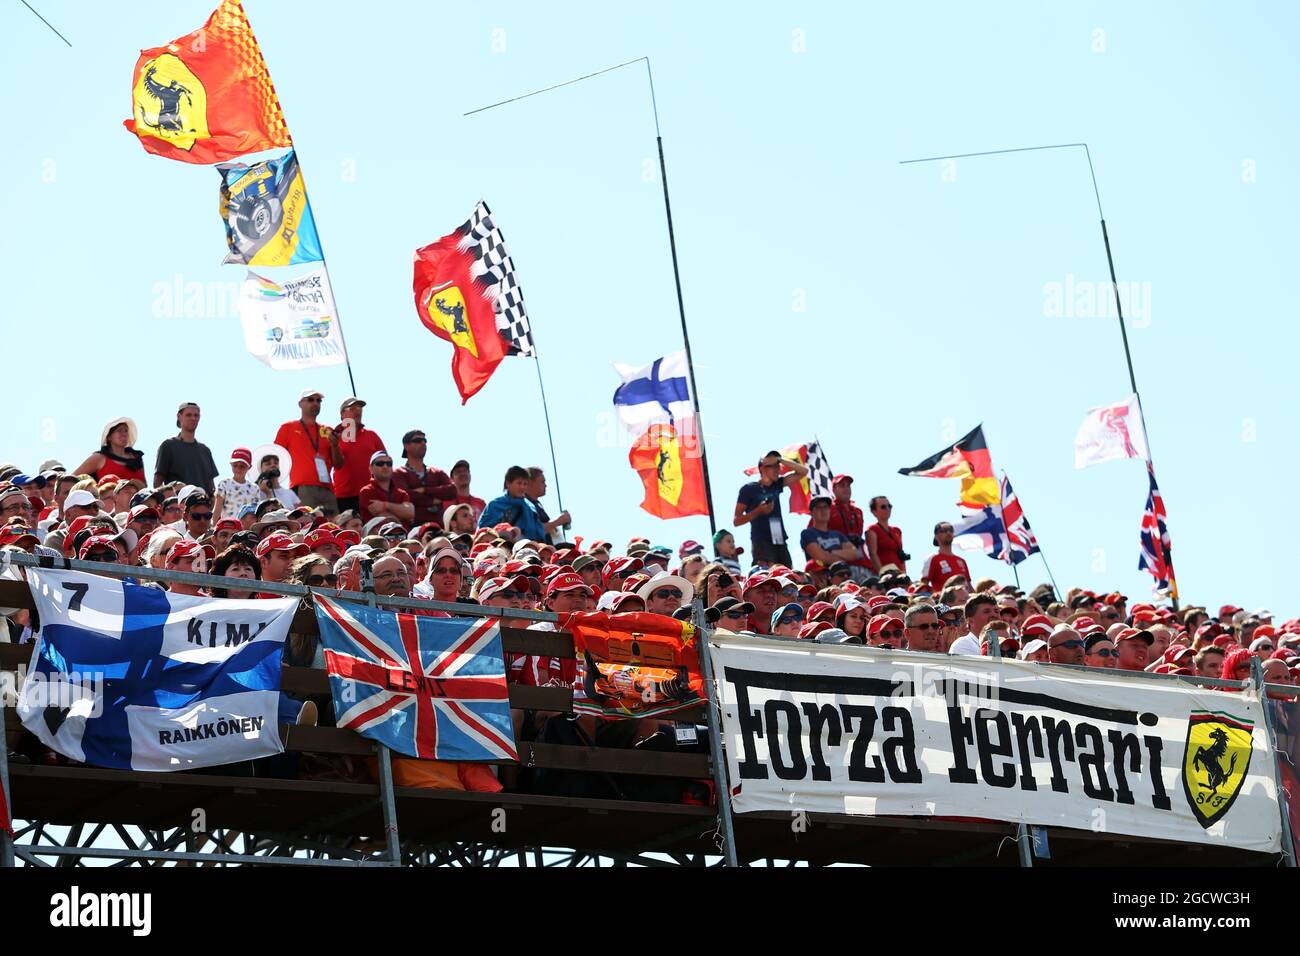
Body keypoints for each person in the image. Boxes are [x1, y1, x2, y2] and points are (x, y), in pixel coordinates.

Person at [273, 389, 344, 515]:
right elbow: (276, 456)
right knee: (307, 526)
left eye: (319, 400)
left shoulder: (327, 430)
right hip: (302, 489)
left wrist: (335, 446)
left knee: (333, 528)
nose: (315, 403)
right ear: (300, 404)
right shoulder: (288, 428)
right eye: (311, 400)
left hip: (327, 490)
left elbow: (338, 465)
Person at [734, 451, 807, 567]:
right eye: (773, 466)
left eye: (778, 466)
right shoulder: (748, 489)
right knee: (768, 577)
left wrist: (780, 459)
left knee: (787, 575)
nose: (777, 469)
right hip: (761, 542)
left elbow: (803, 471)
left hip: (780, 540)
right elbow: (736, 520)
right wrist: (758, 511)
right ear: (762, 468)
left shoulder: (777, 484)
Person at [330, 397, 387, 514]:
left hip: (372, 495)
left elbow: (385, 462)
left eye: (359, 408)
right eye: (352, 408)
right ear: (342, 414)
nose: (358, 411)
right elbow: (334, 464)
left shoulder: (372, 435)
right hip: (344, 497)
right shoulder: (334, 437)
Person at [153, 403, 218, 494]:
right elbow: (157, 482)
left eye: (196, 415)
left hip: (203, 505)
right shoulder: (168, 446)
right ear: (179, 417)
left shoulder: (205, 451)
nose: (193, 418)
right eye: (188, 415)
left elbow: (211, 487)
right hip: (178, 506)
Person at [478, 466, 548, 542]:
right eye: (519, 483)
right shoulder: (495, 505)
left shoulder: (530, 508)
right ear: (508, 483)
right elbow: (485, 531)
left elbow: (538, 535)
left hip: (525, 548)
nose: (522, 487)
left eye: (525, 484)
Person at [73, 417, 147, 484]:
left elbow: (144, 485)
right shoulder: (99, 458)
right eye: (119, 430)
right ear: (109, 437)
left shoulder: (137, 458)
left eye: (126, 430)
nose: (124, 434)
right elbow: (72, 479)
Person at [824, 474, 872, 578]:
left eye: (848, 485)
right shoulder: (826, 509)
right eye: (842, 485)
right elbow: (814, 535)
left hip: (862, 563)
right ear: (834, 489)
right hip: (839, 566)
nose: (846, 488)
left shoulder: (857, 511)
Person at [799, 495, 863, 566]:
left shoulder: (838, 535)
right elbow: (821, 557)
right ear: (811, 513)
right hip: (821, 575)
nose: (823, 510)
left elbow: (855, 553)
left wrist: (830, 552)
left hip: (843, 574)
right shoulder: (807, 533)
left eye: (826, 507)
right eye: (819, 507)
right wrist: (844, 557)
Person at [358, 452, 414, 527]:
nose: (385, 466)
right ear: (370, 468)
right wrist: (401, 515)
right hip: (378, 537)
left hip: (403, 536)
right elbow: (384, 519)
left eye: (389, 464)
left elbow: (410, 513)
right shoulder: (366, 491)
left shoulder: (402, 493)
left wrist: (385, 505)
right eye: (380, 463)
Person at [921, 522, 971, 592]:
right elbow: (924, 585)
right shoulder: (932, 559)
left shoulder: (961, 561)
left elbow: (969, 586)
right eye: (943, 530)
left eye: (951, 530)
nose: (948, 532)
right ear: (936, 536)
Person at [526, 467, 571, 545]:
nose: (545, 485)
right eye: (542, 482)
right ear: (530, 483)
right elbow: (534, 531)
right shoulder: (525, 505)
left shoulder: (536, 504)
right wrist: (559, 521)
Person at [212, 448, 261, 520]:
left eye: (242, 466)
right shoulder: (224, 484)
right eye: (235, 465)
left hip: (247, 529)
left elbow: (256, 512)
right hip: (228, 527)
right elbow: (217, 509)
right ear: (231, 465)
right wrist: (213, 527)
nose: (238, 469)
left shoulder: (254, 488)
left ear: (249, 467)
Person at [865, 496, 907, 574]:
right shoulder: (872, 529)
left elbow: (901, 556)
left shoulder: (897, 531)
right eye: (883, 507)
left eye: (889, 506)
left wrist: (904, 576)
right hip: (885, 576)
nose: (887, 509)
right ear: (874, 512)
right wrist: (882, 574)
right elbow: (873, 554)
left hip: (898, 575)